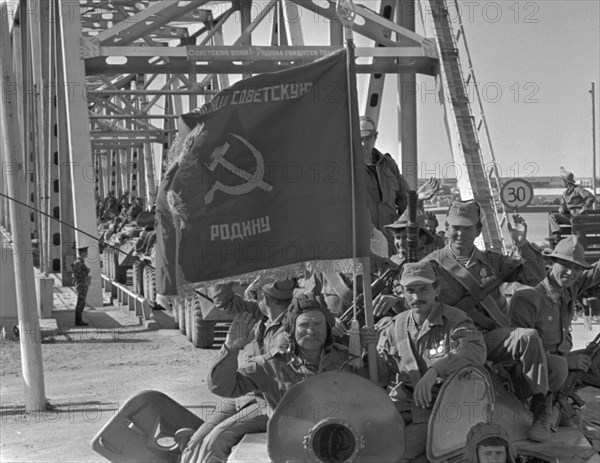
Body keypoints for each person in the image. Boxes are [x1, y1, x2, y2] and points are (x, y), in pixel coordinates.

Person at [419, 200, 555, 441]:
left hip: (490, 336)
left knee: (529, 338)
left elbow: (536, 276)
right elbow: (413, 296)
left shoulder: (492, 262)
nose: (460, 233)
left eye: (467, 228)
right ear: (446, 227)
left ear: (478, 230)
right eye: (455, 227)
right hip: (454, 341)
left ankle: (539, 405)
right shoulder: (431, 264)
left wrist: (521, 243)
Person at [190, 295, 361, 463]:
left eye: (318, 324)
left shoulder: (346, 360)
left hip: (338, 441)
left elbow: (379, 384)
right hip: (288, 440)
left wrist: (370, 345)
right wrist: (230, 348)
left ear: (327, 329)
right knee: (216, 439)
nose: (311, 331)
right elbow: (223, 387)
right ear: (292, 329)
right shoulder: (272, 364)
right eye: (304, 325)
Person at [375, 262, 487, 462]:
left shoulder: (456, 320)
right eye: (410, 290)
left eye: (424, 289)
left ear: (436, 290)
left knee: (395, 455)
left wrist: (435, 371)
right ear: (402, 293)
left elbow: (474, 349)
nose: (417, 297)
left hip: (440, 410)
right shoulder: (394, 326)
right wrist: (365, 348)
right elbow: (381, 374)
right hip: (401, 407)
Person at [181, 279, 296, 463]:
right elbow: (223, 301)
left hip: (269, 401)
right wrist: (233, 276)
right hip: (244, 393)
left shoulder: (292, 326)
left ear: (262, 297)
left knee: (215, 441)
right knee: (196, 441)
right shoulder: (256, 313)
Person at [508, 236, 600, 440]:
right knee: (558, 365)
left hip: (558, 369)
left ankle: (558, 402)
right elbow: (519, 352)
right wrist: (567, 361)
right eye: (565, 265)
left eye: (576, 268)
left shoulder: (569, 287)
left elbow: (596, 271)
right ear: (551, 263)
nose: (571, 272)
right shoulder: (528, 297)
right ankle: (541, 410)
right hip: (528, 373)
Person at [360, 116, 440, 253]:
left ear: (375, 137)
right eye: (359, 139)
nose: (363, 144)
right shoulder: (346, 169)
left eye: (367, 139)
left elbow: (405, 204)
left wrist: (417, 200)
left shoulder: (388, 165)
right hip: (363, 243)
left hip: (393, 244)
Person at [548, 169, 596, 242]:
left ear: (566, 182)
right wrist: (561, 209)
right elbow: (562, 205)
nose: (562, 183)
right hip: (570, 217)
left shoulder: (578, 189)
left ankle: (577, 244)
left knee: (578, 233)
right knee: (552, 216)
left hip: (580, 217)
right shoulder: (565, 194)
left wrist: (583, 208)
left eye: (563, 181)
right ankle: (556, 235)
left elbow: (591, 197)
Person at [71, 246, 91, 326]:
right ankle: (78, 321)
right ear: (82, 253)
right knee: (80, 302)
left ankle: (79, 320)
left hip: (82, 283)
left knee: (81, 302)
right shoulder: (79, 262)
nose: (87, 253)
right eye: (85, 252)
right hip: (81, 284)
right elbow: (78, 274)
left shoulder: (80, 261)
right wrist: (87, 271)